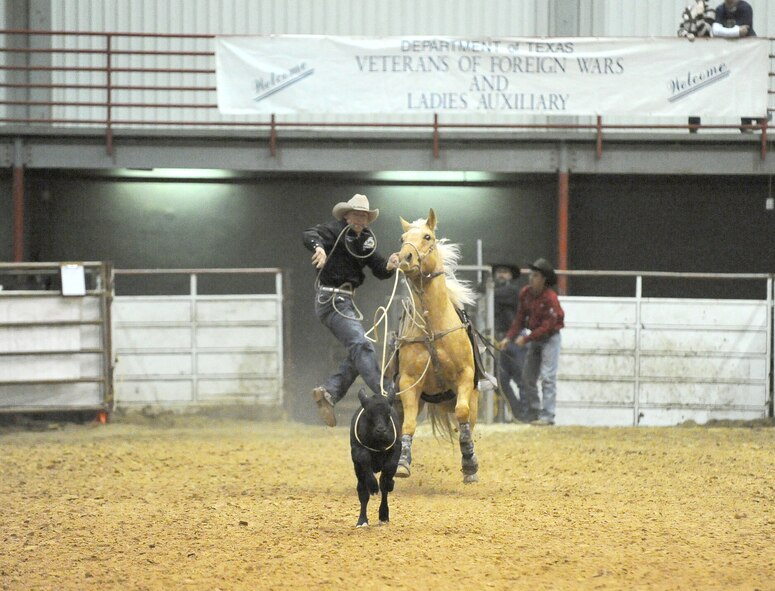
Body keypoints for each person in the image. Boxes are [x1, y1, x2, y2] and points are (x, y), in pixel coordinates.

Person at [302, 194, 399, 427]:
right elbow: (309, 235)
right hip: (331, 298)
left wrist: (390, 264)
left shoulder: (365, 240)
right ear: (346, 216)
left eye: (364, 216)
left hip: (344, 301)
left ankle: (329, 392)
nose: (360, 220)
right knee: (361, 345)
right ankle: (386, 392)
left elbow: (379, 268)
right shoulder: (333, 231)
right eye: (356, 215)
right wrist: (320, 249)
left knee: (358, 353)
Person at [500, 258, 565, 426]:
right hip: (537, 339)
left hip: (550, 338)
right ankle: (535, 412)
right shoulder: (526, 294)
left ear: (543, 279)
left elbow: (549, 325)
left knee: (547, 376)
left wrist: (527, 338)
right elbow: (520, 319)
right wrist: (509, 337)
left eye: (535, 275)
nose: (531, 278)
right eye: (531, 275)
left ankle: (548, 415)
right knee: (528, 377)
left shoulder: (550, 298)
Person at [488, 263, 528, 422]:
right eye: (498, 272)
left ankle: (525, 414)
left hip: (515, 338)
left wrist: (485, 290)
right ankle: (518, 413)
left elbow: (493, 294)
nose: (501, 275)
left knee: (522, 379)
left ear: (511, 276)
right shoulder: (494, 293)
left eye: (505, 272)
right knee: (501, 381)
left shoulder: (513, 291)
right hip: (499, 339)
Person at [712, 0, 758, 133]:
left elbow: (745, 31)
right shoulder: (720, 9)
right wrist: (736, 31)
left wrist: (725, 31)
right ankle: (755, 119)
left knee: (747, 86)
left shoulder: (745, 7)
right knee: (736, 87)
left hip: (748, 55)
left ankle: (748, 122)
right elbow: (715, 30)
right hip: (731, 55)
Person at [677, 0, 715, 133]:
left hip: (703, 57)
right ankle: (692, 128)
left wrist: (699, 15)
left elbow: (704, 31)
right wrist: (686, 34)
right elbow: (681, 29)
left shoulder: (710, 12)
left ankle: (696, 126)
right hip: (689, 58)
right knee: (690, 91)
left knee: (700, 91)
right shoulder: (687, 10)